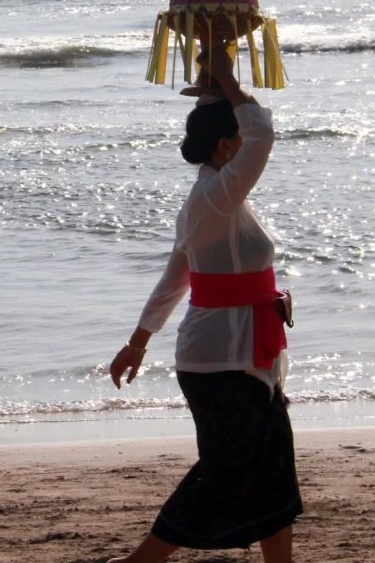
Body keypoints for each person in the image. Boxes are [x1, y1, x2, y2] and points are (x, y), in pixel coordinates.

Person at [105, 49, 300, 563]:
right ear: (223, 145)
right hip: (221, 361)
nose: (244, 145)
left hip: (244, 356)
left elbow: (173, 280)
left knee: (274, 465)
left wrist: (214, 80)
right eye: (234, 136)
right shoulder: (216, 197)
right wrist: (233, 81)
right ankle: (141, 561)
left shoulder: (214, 194)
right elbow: (262, 134)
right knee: (224, 472)